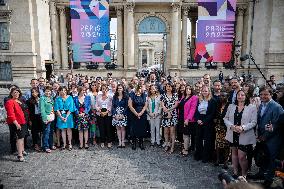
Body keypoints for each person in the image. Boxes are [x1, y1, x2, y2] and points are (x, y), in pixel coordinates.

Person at [250, 86, 284, 187]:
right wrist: (259, 135)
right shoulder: (261, 105)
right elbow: (260, 120)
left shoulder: (277, 107)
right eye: (261, 94)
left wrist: (265, 136)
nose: (263, 96)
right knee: (263, 156)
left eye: (266, 94)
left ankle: (269, 180)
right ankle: (261, 174)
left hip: (273, 139)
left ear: (271, 94)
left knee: (272, 159)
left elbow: (277, 124)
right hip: (262, 137)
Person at [224, 90, 257, 178]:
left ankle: (244, 174)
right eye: (238, 94)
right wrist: (231, 126)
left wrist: (243, 127)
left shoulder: (252, 107)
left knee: (242, 157)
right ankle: (235, 172)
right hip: (233, 133)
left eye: (242, 95)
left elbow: (254, 122)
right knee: (234, 154)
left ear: (246, 96)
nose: (240, 96)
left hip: (244, 135)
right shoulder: (231, 106)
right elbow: (225, 118)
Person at [194, 85, 217, 163]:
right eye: (203, 91)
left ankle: (206, 157)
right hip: (199, 121)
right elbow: (196, 111)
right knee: (198, 139)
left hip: (208, 122)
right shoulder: (199, 100)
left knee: (207, 140)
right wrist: (197, 119)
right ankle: (198, 155)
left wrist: (204, 121)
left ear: (209, 92)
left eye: (206, 91)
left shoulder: (212, 100)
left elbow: (212, 113)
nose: (204, 92)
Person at [4, 88, 27, 161]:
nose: (16, 94)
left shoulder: (19, 101)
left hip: (23, 121)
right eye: (14, 92)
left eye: (17, 92)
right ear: (11, 94)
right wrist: (16, 124)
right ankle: (20, 155)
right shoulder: (9, 102)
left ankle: (22, 150)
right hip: (16, 123)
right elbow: (11, 115)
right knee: (19, 138)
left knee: (22, 137)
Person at [54, 86, 75, 150]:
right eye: (61, 90)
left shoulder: (70, 97)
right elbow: (56, 108)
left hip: (68, 116)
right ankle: (64, 144)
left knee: (69, 130)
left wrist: (66, 117)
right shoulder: (57, 99)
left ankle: (70, 144)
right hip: (60, 116)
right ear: (59, 91)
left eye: (64, 90)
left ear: (66, 91)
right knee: (62, 130)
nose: (63, 92)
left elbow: (71, 108)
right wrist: (61, 117)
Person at [180, 85, 198, 156]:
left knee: (186, 135)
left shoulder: (194, 97)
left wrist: (187, 119)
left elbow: (192, 109)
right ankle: (186, 147)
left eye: (189, 89)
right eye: (186, 88)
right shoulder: (184, 97)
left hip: (189, 120)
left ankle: (186, 150)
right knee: (184, 134)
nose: (188, 90)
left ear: (192, 90)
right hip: (182, 118)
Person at [160, 82, 179, 153]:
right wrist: (166, 110)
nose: (168, 88)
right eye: (167, 86)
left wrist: (169, 110)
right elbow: (162, 104)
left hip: (173, 115)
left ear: (172, 87)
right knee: (166, 131)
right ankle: (167, 144)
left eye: (170, 86)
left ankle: (172, 146)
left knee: (172, 132)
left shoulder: (175, 95)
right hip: (165, 115)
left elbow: (176, 104)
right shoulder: (163, 95)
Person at [128, 85, 148, 150]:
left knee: (142, 128)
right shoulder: (132, 95)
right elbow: (130, 105)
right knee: (134, 128)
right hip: (134, 114)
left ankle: (141, 142)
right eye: (139, 88)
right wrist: (136, 114)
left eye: (141, 88)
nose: (140, 89)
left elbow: (145, 105)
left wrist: (141, 113)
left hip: (142, 114)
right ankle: (134, 143)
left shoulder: (144, 95)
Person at [214, 91, 230, 168]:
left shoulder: (230, 105)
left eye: (223, 96)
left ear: (227, 97)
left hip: (226, 128)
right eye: (220, 96)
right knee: (218, 144)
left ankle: (225, 161)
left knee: (226, 145)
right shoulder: (218, 105)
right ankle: (217, 159)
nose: (221, 97)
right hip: (218, 127)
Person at [95, 84, 113, 148]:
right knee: (101, 128)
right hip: (100, 114)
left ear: (107, 90)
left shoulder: (110, 97)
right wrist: (100, 111)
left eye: (105, 89)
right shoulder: (98, 96)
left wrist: (107, 112)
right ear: (101, 89)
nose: (104, 90)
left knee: (108, 128)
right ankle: (102, 141)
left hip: (108, 114)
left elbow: (111, 106)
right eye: (103, 89)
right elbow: (96, 105)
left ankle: (109, 141)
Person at [112, 84, 129, 148]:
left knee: (123, 128)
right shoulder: (115, 96)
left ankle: (123, 142)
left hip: (123, 114)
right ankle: (119, 142)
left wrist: (122, 114)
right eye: (118, 88)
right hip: (116, 114)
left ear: (123, 89)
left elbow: (127, 106)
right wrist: (115, 114)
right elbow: (113, 106)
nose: (119, 89)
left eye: (121, 88)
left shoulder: (126, 97)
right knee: (118, 128)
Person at [40, 86, 56, 153]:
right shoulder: (42, 98)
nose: (48, 92)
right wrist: (44, 118)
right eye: (46, 91)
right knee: (46, 132)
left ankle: (51, 144)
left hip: (52, 117)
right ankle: (45, 146)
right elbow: (42, 109)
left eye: (49, 91)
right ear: (44, 91)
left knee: (51, 131)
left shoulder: (51, 98)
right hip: (46, 118)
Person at [27, 87, 42, 152]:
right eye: (32, 92)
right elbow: (29, 112)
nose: (34, 93)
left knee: (41, 131)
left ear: (38, 92)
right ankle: (35, 144)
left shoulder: (41, 99)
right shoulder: (29, 101)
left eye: (35, 92)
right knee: (34, 132)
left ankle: (41, 143)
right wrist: (29, 120)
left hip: (41, 117)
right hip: (33, 118)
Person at [88, 81, 98, 145]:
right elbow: (87, 103)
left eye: (95, 85)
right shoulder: (89, 94)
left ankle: (99, 137)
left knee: (99, 125)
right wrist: (92, 109)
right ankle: (93, 138)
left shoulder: (99, 93)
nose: (94, 86)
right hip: (91, 111)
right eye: (92, 85)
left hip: (99, 111)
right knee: (93, 125)